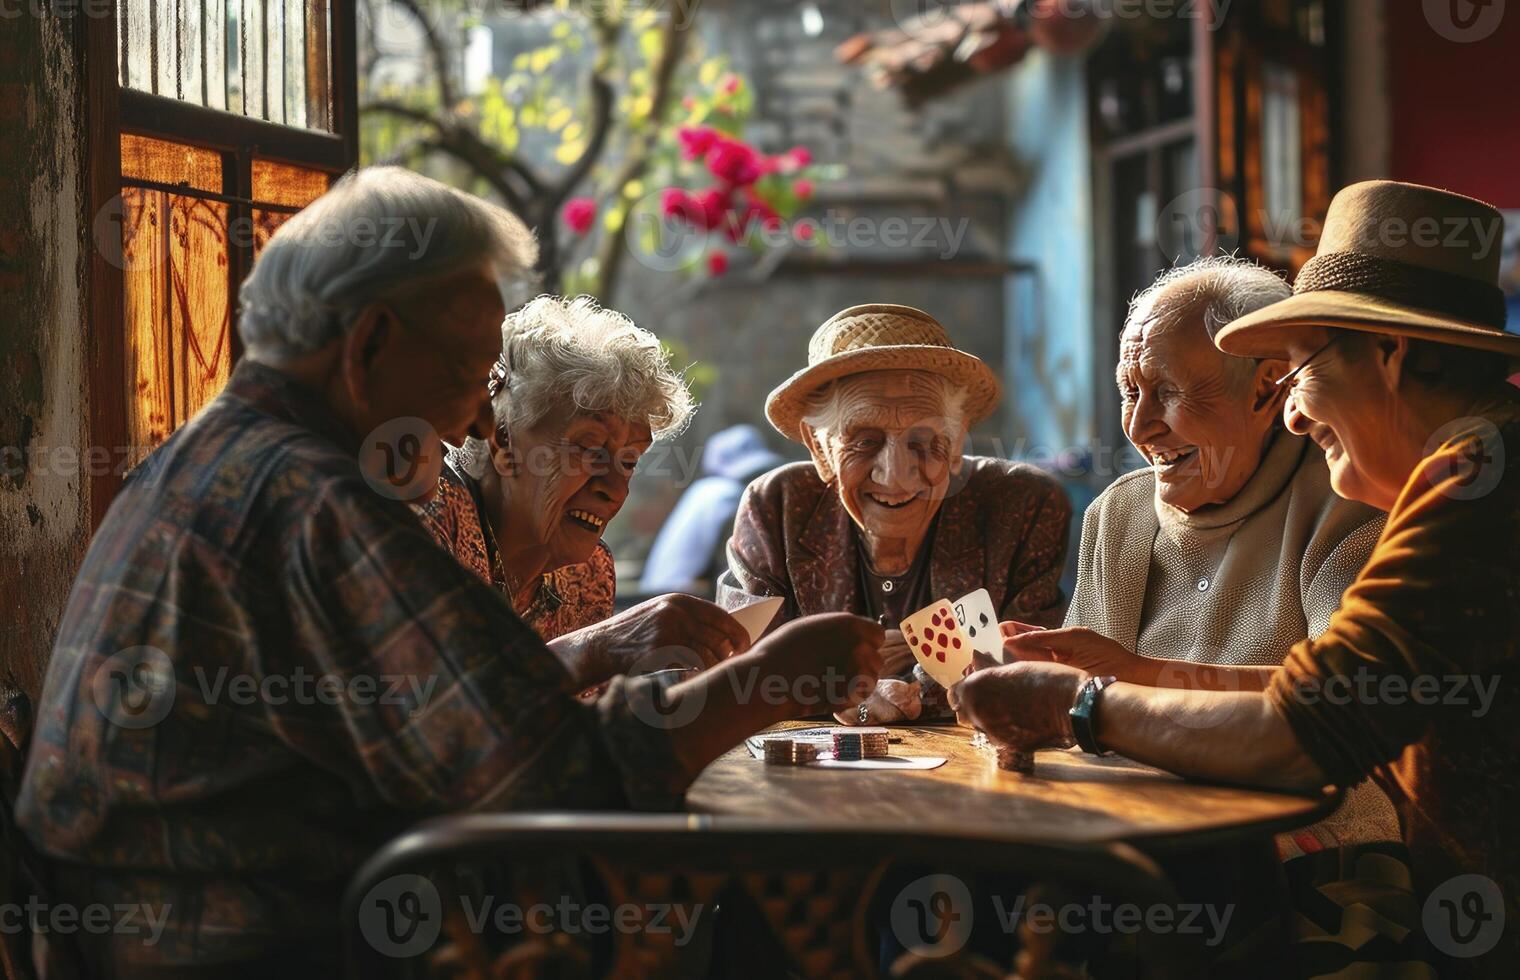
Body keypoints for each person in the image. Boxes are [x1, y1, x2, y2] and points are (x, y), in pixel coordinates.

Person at [15, 167, 882, 973]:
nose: (474, 416)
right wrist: (769, 679)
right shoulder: (320, 505)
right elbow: (556, 776)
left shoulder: (211, 461)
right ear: (371, 346)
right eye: (471, 375)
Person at [956, 181, 1520, 978]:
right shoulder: (1496, 456)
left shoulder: (1488, 473)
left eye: (1297, 371)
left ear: (1387, 355)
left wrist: (1075, 706)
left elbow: (1300, 738)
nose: (1292, 416)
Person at [1003, 256, 1408, 974]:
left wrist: (1132, 677)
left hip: (1303, 844)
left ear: (1264, 388)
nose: (1138, 424)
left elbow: (1341, 706)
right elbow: (1083, 718)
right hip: (1130, 832)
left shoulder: (1348, 506)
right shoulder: (1116, 513)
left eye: (1166, 392)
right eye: (1128, 391)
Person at [719, 304, 1070, 723]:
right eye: (864, 440)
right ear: (818, 446)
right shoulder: (777, 506)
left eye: (924, 441)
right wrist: (849, 691)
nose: (895, 474)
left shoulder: (1022, 505)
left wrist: (897, 688)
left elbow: (1027, 668)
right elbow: (745, 671)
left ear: (956, 443)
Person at [420, 293, 743, 656]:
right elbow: (444, 705)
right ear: (503, 442)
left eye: (629, 461)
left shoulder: (587, 576)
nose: (615, 490)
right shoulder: (431, 525)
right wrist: (594, 648)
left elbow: (571, 712)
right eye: (590, 449)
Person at [641, 424, 783, 595]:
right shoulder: (728, 496)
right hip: (679, 595)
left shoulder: (702, 491)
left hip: (657, 593)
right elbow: (733, 570)